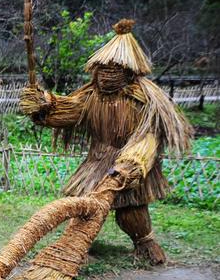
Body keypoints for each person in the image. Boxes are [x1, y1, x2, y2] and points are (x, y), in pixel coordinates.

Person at [19, 18, 192, 267]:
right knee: (85, 206)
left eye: (114, 70)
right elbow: (68, 110)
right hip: (97, 161)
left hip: (126, 163)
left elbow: (149, 136)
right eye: (103, 69)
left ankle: (145, 242)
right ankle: (77, 243)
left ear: (129, 71)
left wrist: (132, 163)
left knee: (131, 212)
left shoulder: (143, 100)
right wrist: (44, 104)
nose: (107, 75)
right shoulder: (91, 97)